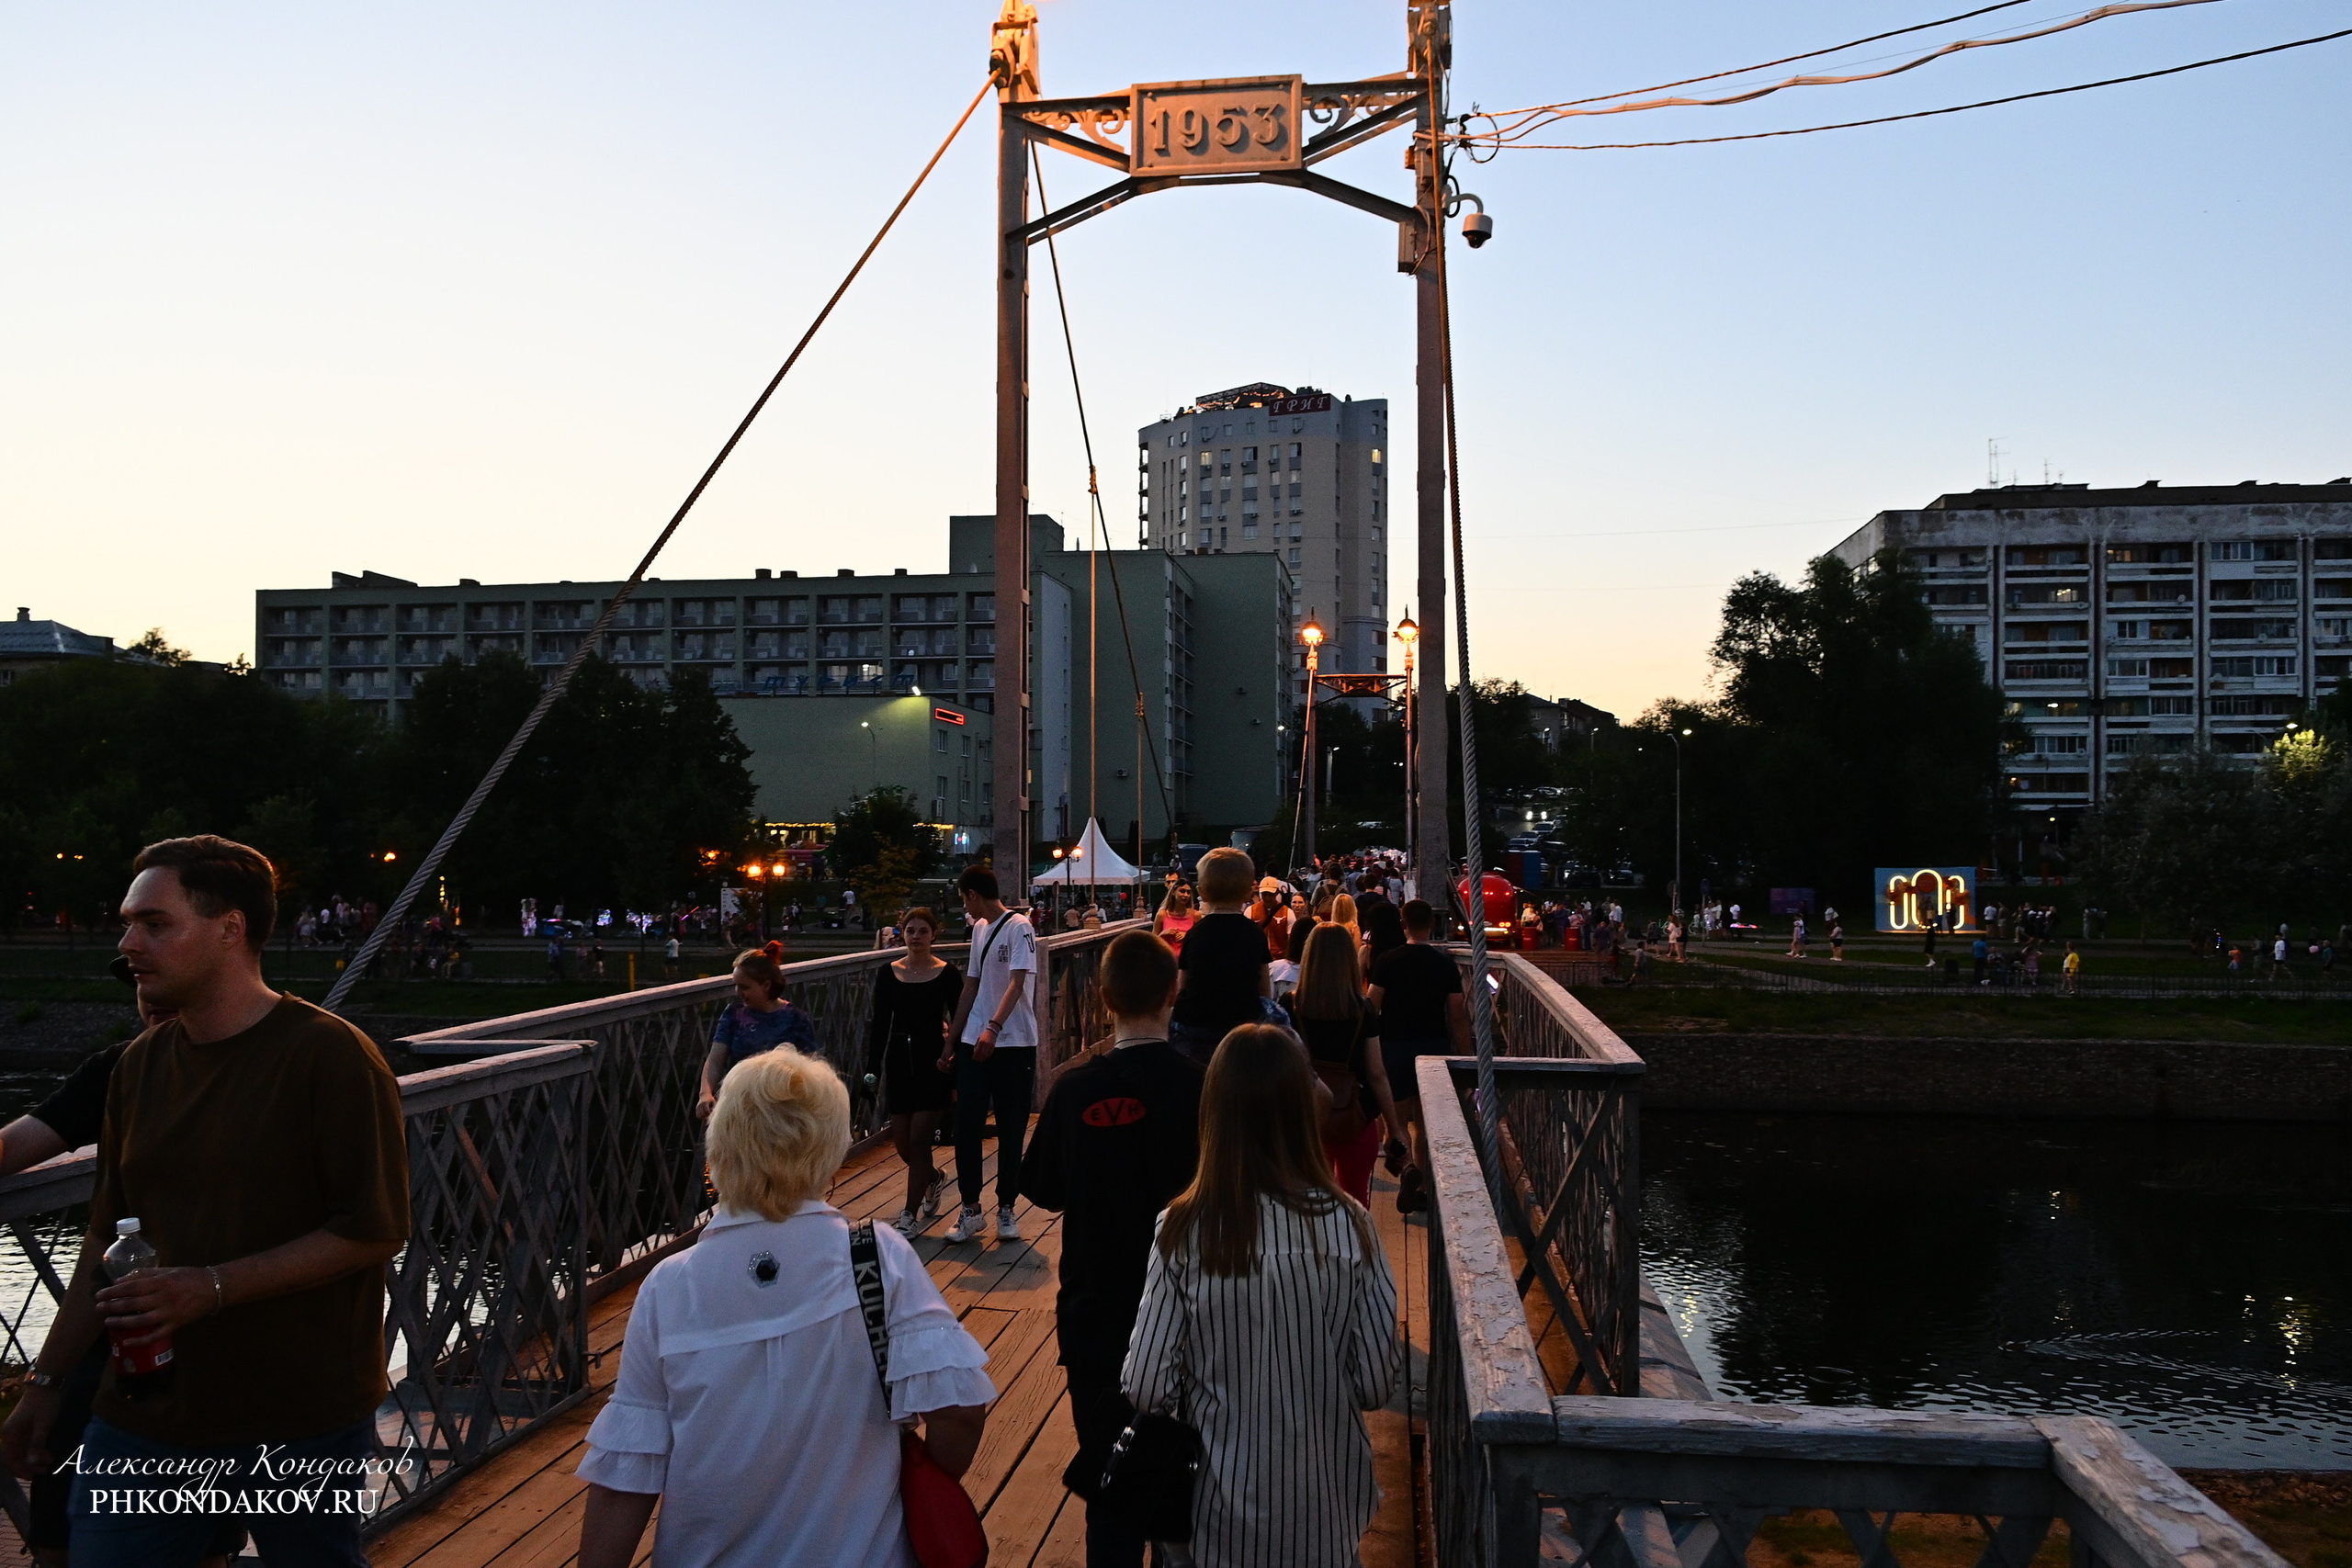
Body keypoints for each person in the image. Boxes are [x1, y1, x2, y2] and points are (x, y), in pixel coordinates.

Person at [1, 837, 408, 1568]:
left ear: (231, 928)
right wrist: (49, 1382)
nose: (128, 945)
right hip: (147, 1414)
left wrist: (207, 1288)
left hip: (299, 1417)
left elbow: (372, 1228)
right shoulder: (137, 1066)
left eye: (154, 924)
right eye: (128, 923)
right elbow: (103, 1239)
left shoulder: (331, 1056)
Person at [576, 1048, 994, 1568]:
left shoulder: (669, 1286)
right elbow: (959, 1412)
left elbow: (627, 1470)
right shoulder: (874, 1258)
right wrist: (923, 1479)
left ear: (722, 1142)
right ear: (829, 1149)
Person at [1123, 1024, 1398, 1568]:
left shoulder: (1180, 1229)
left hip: (1212, 1507)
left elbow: (1146, 1385)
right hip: (1324, 1505)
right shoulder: (1354, 1227)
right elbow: (1374, 1382)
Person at [1020, 931, 1204, 1568]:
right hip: (1189, 1310)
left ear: (1102, 1000)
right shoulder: (1200, 1087)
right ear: (1174, 991)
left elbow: (1043, 1190)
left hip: (1097, 1311)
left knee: (1112, 1478)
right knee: (1185, 1478)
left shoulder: (1072, 1092)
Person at [944, 865, 1038, 1245]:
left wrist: (994, 1027)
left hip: (1013, 1041)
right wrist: (953, 1039)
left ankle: (1006, 1207)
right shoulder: (980, 929)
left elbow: (1018, 981)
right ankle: (970, 1208)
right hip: (974, 1039)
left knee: (1012, 1126)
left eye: (963, 897)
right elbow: (972, 983)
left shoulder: (1020, 928)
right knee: (966, 1124)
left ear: (971, 894)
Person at [1289, 924, 1408, 1207]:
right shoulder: (1362, 1009)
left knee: (1308, 1203)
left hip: (1306, 1119)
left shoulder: (1291, 1006)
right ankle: (1355, 1249)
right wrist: (1395, 1127)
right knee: (1355, 1201)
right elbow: (1377, 1074)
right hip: (1354, 1117)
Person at [1366, 898, 1466, 1216]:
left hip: (1394, 1046)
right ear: (1432, 925)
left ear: (1403, 924)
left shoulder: (1386, 961)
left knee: (1395, 1123)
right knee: (1426, 1122)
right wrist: (1464, 1055)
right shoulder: (1444, 965)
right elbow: (1457, 1012)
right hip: (1433, 1045)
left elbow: (1372, 1006)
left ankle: (1406, 1166)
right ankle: (1421, 1187)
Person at [867, 908, 960, 1237]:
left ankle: (908, 1213)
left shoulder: (947, 973)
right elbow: (880, 1023)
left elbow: (960, 1019)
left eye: (923, 931)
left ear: (934, 935)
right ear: (902, 935)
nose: (916, 937)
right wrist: (871, 1069)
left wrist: (954, 1059)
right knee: (903, 1143)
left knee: (920, 1140)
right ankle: (934, 1178)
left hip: (932, 1060)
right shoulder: (888, 972)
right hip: (898, 1059)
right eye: (910, 931)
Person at [1169, 849, 1272, 1065]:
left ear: (1201, 892)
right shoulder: (1255, 933)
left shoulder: (1195, 933)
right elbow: (1264, 989)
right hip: (1242, 1025)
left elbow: (1183, 986)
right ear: (1248, 892)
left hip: (1195, 1024)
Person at [696, 949, 820, 1121]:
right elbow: (716, 1059)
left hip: (782, 1110)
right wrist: (705, 1093)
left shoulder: (796, 1018)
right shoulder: (733, 1013)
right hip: (739, 1103)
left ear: (766, 985)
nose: (738, 992)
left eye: (744, 987)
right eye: (736, 985)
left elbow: (811, 1068)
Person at [1153, 884, 1199, 955]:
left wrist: (1187, 935)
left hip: (1187, 959)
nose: (1186, 895)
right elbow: (1152, 941)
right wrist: (1163, 934)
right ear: (1173, 892)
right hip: (1167, 958)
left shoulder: (1196, 915)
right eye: (1182, 891)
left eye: (1188, 892)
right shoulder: (1162, 914)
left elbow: (1200, 939)